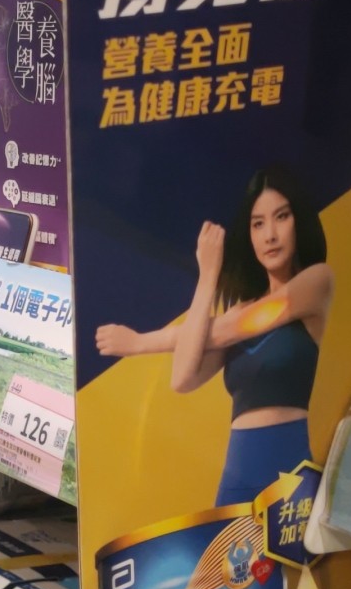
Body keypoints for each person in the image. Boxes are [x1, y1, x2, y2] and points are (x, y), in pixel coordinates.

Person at [93, 165, 331, 508]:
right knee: (217, 550)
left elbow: (232, 328)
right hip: (238, 475)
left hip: (289, 473)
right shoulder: (240, 311)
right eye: (258, 224)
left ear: (299, 221)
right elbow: (182, 378)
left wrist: (140, 343)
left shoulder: (316, 282)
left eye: (281, 217)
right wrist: (207, 278)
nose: (270, 235)